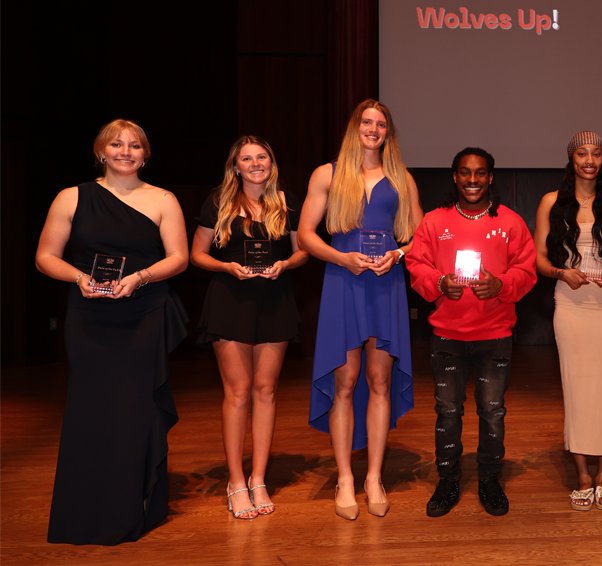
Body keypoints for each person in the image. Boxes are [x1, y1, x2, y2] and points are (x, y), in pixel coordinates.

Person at [36, 119, 188, 544]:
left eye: (135, 145)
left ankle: (132, 508)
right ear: (101, 152)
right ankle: (83, 513)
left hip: (144, 315)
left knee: (134, 411)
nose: (125, 151)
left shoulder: (163, 199)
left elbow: (178, 258)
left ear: (145, 154)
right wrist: (79, 278)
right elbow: (45, 257)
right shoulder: (71, 196)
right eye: (116, 144)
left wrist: (139, 277)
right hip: (89, 316)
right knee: (90, 411)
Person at [298, 99, 423, 520]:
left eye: (380, 124)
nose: (373, 129)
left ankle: (373, 477)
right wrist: (342, 258)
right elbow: (306, 235)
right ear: (355, 127)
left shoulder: (401, 177)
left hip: (386, 285)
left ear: (388, 132)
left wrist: (398, 255)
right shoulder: (327, 174)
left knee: (380, 381)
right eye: (367, 122)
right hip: (343, 282)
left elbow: (420, 236)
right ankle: (345, 478)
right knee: (346, 382)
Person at [407, 147, 537, 518]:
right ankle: (448, 480)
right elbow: (416, 263)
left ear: (490, 177)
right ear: (455, 177)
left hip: (494, 335)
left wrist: (502, 285)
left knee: (492, 411)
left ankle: (489, 480)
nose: (473, 180)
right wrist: (438, 282)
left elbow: (527, 270)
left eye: (480, 173)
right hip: (447, 336)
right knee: (447, 411)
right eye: (465, 172)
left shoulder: (510, 222)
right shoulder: (434, 221)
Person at [190, 136, 308, 519]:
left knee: (266, 391)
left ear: (271, 163)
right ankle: (236, 481)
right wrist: (226, 267)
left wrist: (286, 264)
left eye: (262, 157)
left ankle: (259, 478)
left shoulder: (287, 202)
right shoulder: (219, 201)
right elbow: (196, 254)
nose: (256, 163)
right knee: (238, 392)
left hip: (276, 301)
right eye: (247, 158)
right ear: (235, 166)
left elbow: (303, 250)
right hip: (230, 301)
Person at [534, 131, 602, 511]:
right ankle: (582, 475)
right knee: (575, 387)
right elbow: (539, 260)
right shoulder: (551, 202)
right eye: (582, 153)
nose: (589, 160)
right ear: (571, 159)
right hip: (571, 304)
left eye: (596, 153)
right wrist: (562, 273)